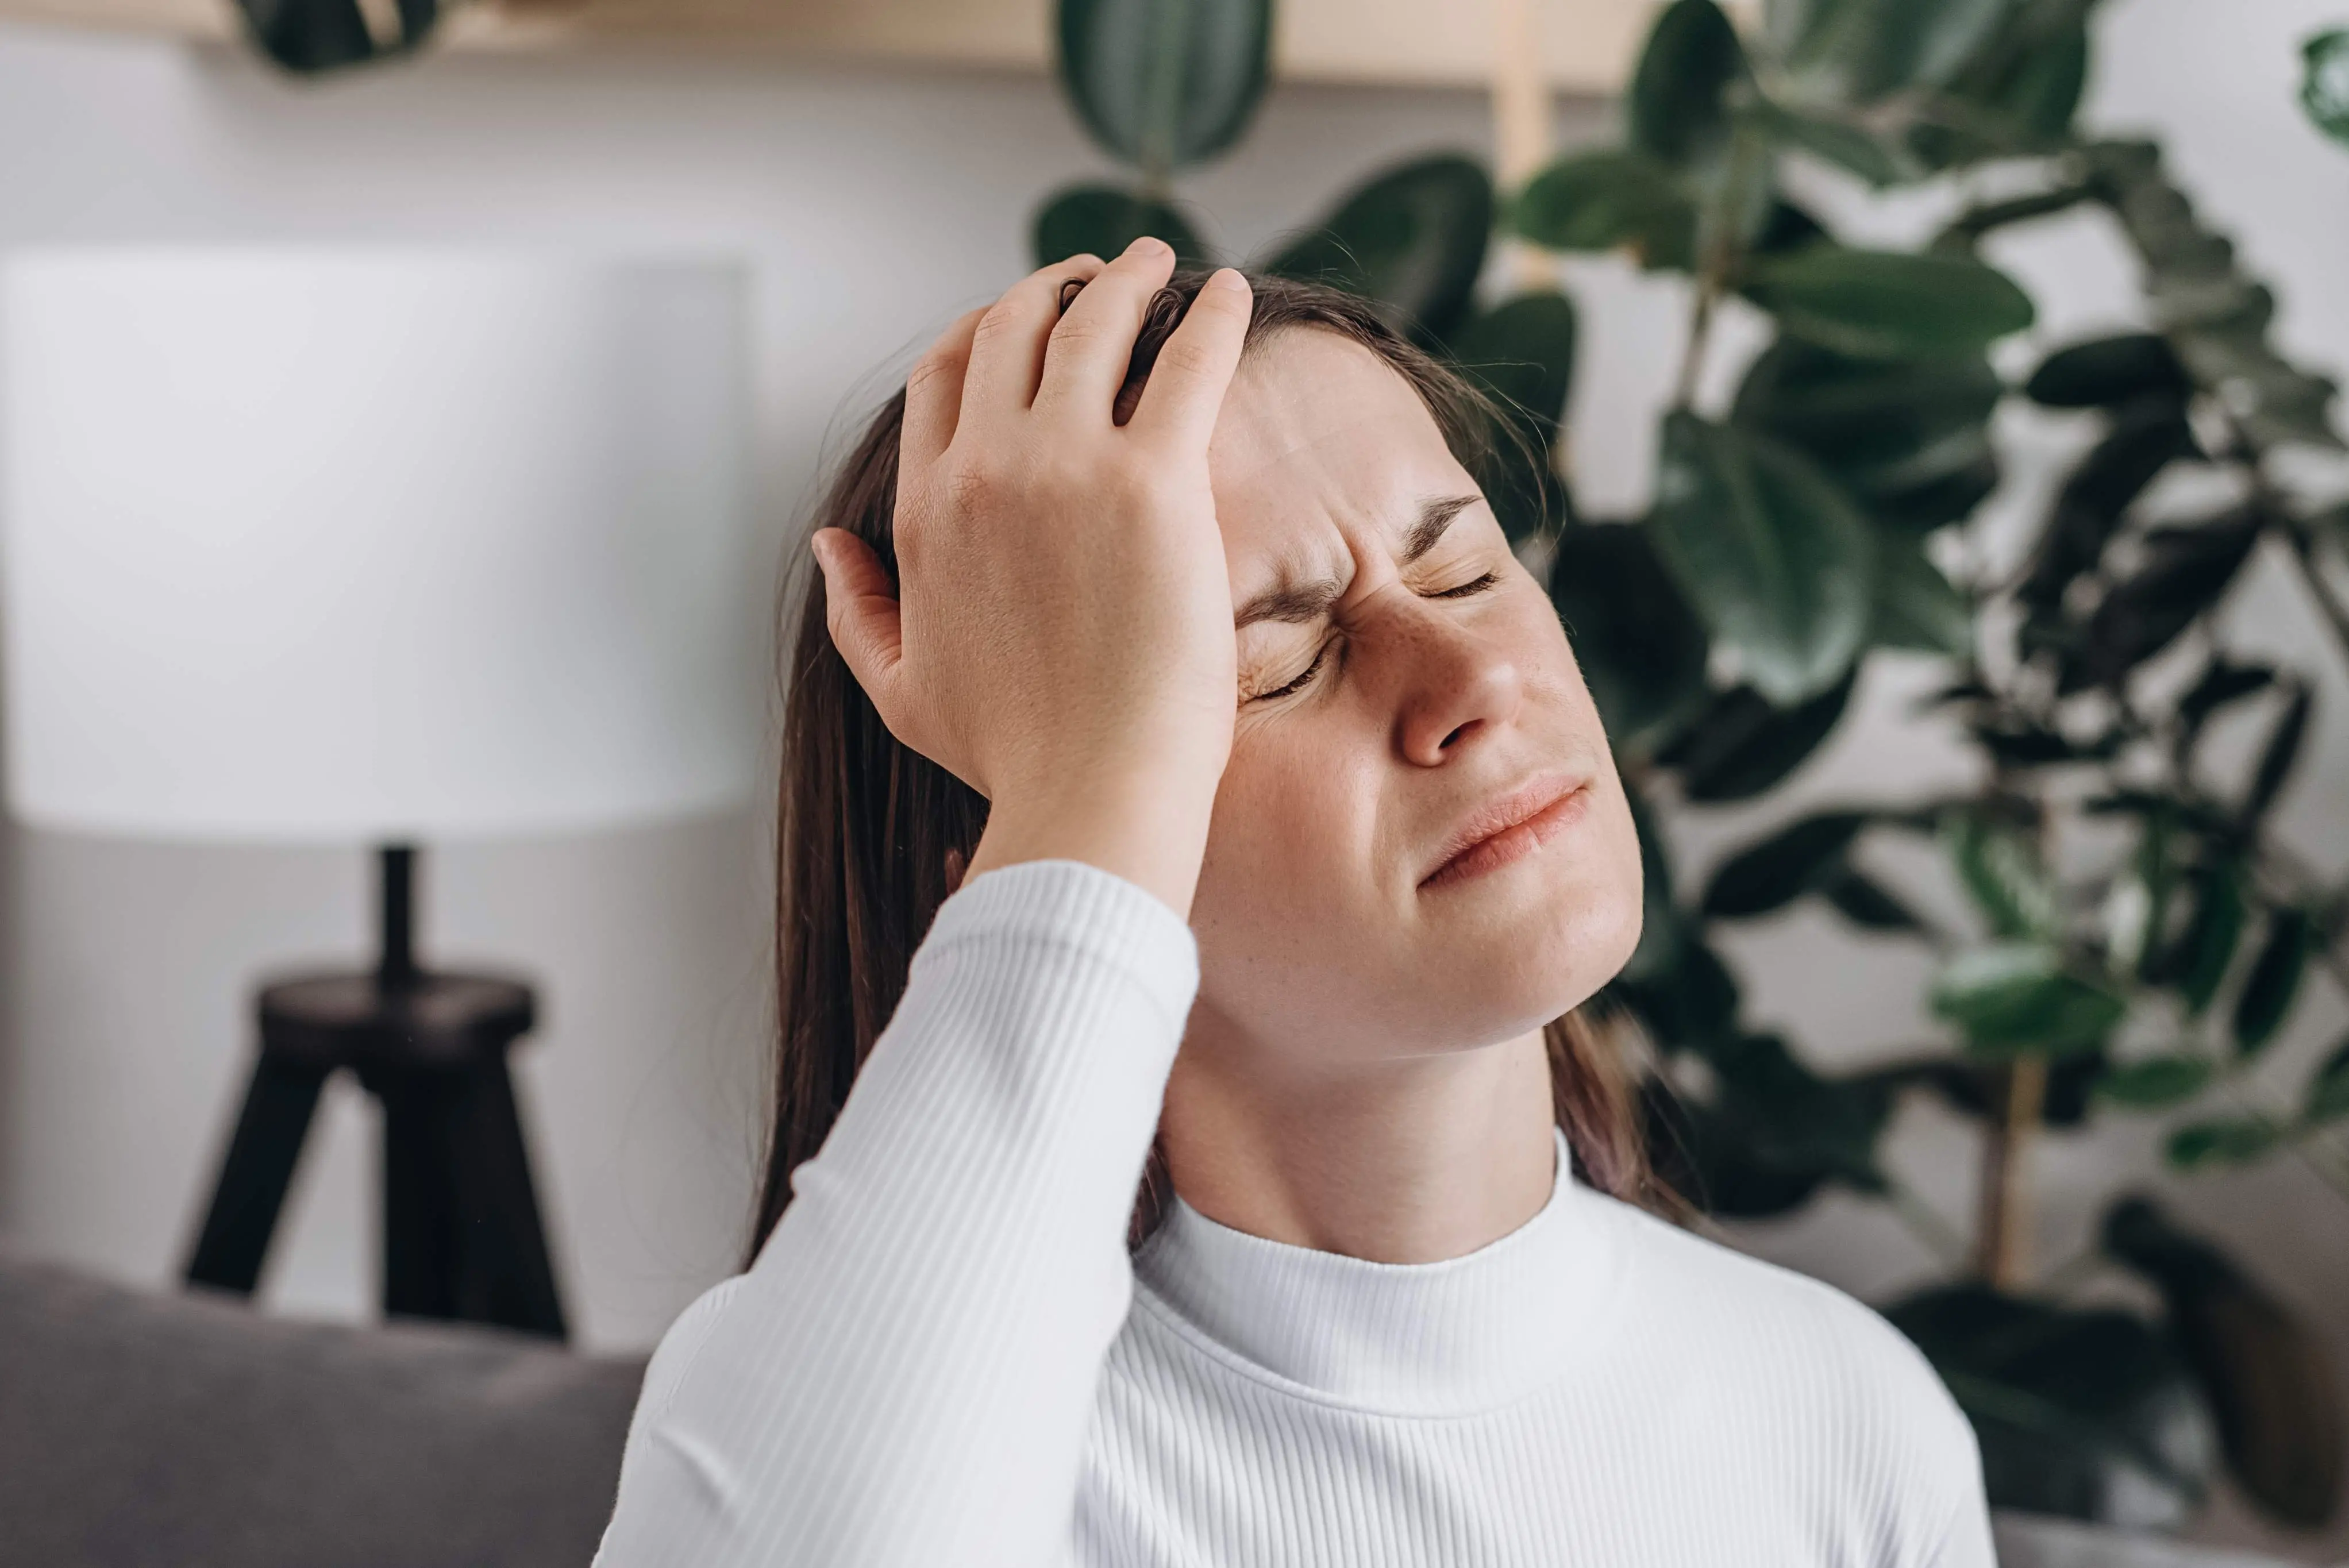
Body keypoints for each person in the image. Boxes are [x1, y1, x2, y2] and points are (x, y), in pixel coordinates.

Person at [591, 238, 1994, 1566]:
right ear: (1039, 862)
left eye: (1463, 565)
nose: (1469, 683)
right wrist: (1085, 785)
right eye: (1268, 664)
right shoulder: (907, 1444)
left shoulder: (1841, 1420)